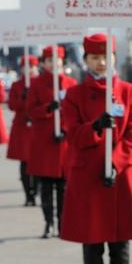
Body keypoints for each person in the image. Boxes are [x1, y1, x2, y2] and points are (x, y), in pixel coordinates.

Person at [61, 33, 132, 264]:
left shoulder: (127, 91)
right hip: (88, 178)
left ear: (113, 58)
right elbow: (72, 135)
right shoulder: (73, 95)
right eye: (94, 57)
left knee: (120, 246)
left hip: (119, 178)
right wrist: (96, 126)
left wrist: (115, 163)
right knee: (92, 245)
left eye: (106, 57)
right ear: (85, 60)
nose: (101, 62)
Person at [26, 46, 77, 238]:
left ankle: (63, 224)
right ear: (43, 63)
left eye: (56, 61)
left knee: (63, 188)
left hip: (63, 143)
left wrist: (64, 129)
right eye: (48, 61)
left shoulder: (70, 83)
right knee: (46, 188)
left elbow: (75, 112)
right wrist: (49, 108)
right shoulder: (37, 84)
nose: (53, 64)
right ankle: (48, 223)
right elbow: (30, 110)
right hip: (44, 143)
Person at [6, 55, 40, 206]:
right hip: (22, 126)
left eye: (32, 66)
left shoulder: (41, 84)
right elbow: (12, 105)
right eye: (26, 67)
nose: (29, 70)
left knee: (39, 161)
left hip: (38, 126)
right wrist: (23, 98)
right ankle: (28, 194)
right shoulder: (17, 85)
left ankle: (37, 189)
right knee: (24, 162)